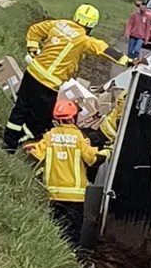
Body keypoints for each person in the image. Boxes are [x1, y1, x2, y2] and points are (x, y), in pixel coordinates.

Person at [2, 5, 133, 152]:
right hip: (47, 84)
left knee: (21, 108)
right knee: (41, 120)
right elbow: (104, 50)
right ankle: (25, 142)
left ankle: (9, 143)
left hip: (32, 73)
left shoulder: (59, 24)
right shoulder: (83, 40)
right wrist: (129, 61)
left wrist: (33, 49)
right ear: (91, 25)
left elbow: (35, 29)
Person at [24, 97, 109, 247]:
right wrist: (108, 152)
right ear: (72, 118)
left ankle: (52, 252)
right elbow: (93, 159)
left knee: (55, 229)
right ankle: (71, 255)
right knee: (72, 234)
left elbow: (35, 156)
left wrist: (30, 146)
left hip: (53, 194)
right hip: (75, 197)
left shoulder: (49, 136)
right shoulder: (78, 137)